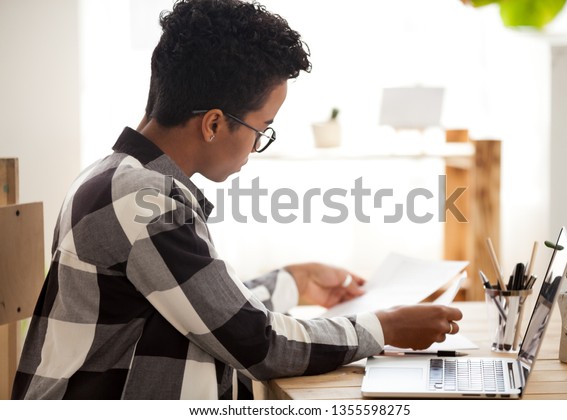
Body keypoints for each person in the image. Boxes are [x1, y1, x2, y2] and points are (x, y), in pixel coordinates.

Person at [12, 0, 462, 400]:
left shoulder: (116, 176)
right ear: (212, 124)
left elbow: (200, 304)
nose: (256, 145)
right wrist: (384, 328)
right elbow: (255, 343)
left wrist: (295, 282)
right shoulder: (142, 199)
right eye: (261, 129)